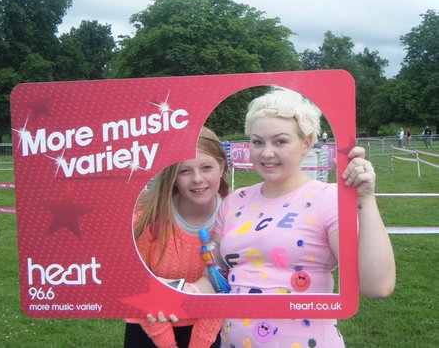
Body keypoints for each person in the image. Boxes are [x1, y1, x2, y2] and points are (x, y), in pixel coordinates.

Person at [213, 88, 396, 347]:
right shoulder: (234, 201)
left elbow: (378, 285)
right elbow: (214, 272)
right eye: (257, 141)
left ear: (306, 143)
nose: (266, 153)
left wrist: (365, 198)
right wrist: (170, 297)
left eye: (280, 141)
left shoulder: (328, 199)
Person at [124, 126, 229, 348]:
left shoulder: (235, 216)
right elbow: (136, 283)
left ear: (222, 167)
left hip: (207, 333)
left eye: (207, 167)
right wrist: (166, 343)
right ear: (172, 175)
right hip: (149, 329)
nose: (197, 179)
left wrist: (200, 344)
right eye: (185, 171)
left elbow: (223, 287)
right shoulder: (147, 219)